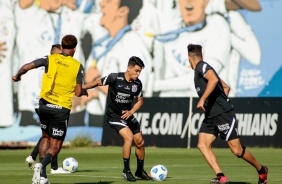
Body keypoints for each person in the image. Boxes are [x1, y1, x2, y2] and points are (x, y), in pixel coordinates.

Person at [187, 44, 268, 184]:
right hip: (211, 115)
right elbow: (226, 87)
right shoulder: (200, 70)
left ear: (189, 58)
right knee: (202, 144)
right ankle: (220, 176)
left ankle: (261, 170)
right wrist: (216, 102)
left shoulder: (202, 66)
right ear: (202, 54)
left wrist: (204, 99)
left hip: (223, 114)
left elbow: (214, 80)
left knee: (237, 150)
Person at [12, 35, 87, 184]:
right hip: (61, 109)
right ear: (74, 48)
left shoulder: (49, 59)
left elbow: (27, 66)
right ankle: (42, 165)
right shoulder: (78, 66)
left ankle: (42, 177)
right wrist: (83, 91)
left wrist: (18, 75)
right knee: (56, 144)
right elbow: (78, 92)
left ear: (61, 46)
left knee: (45, 137)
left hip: (44, 106)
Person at [83, 56, 150, 182]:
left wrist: (131, 111)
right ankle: (126, 171)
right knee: (129, 138)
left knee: (140, 142)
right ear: (129, 68)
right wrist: (82, 88)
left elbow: (140, 101)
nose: (138, 73)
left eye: (140, 71)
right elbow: (97, 82)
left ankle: (140, 171)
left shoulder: (137, 84)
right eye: (136, 70)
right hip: (114, 115)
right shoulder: (114, 77)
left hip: (128, 115)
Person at [25, 44, 70, 174]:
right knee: (53, 136)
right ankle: (53, 168)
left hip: (40, 103)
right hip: (49, 103)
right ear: (57, 53)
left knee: (47, 135)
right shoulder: (53, 63)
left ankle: (33, 157)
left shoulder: (45, 62)